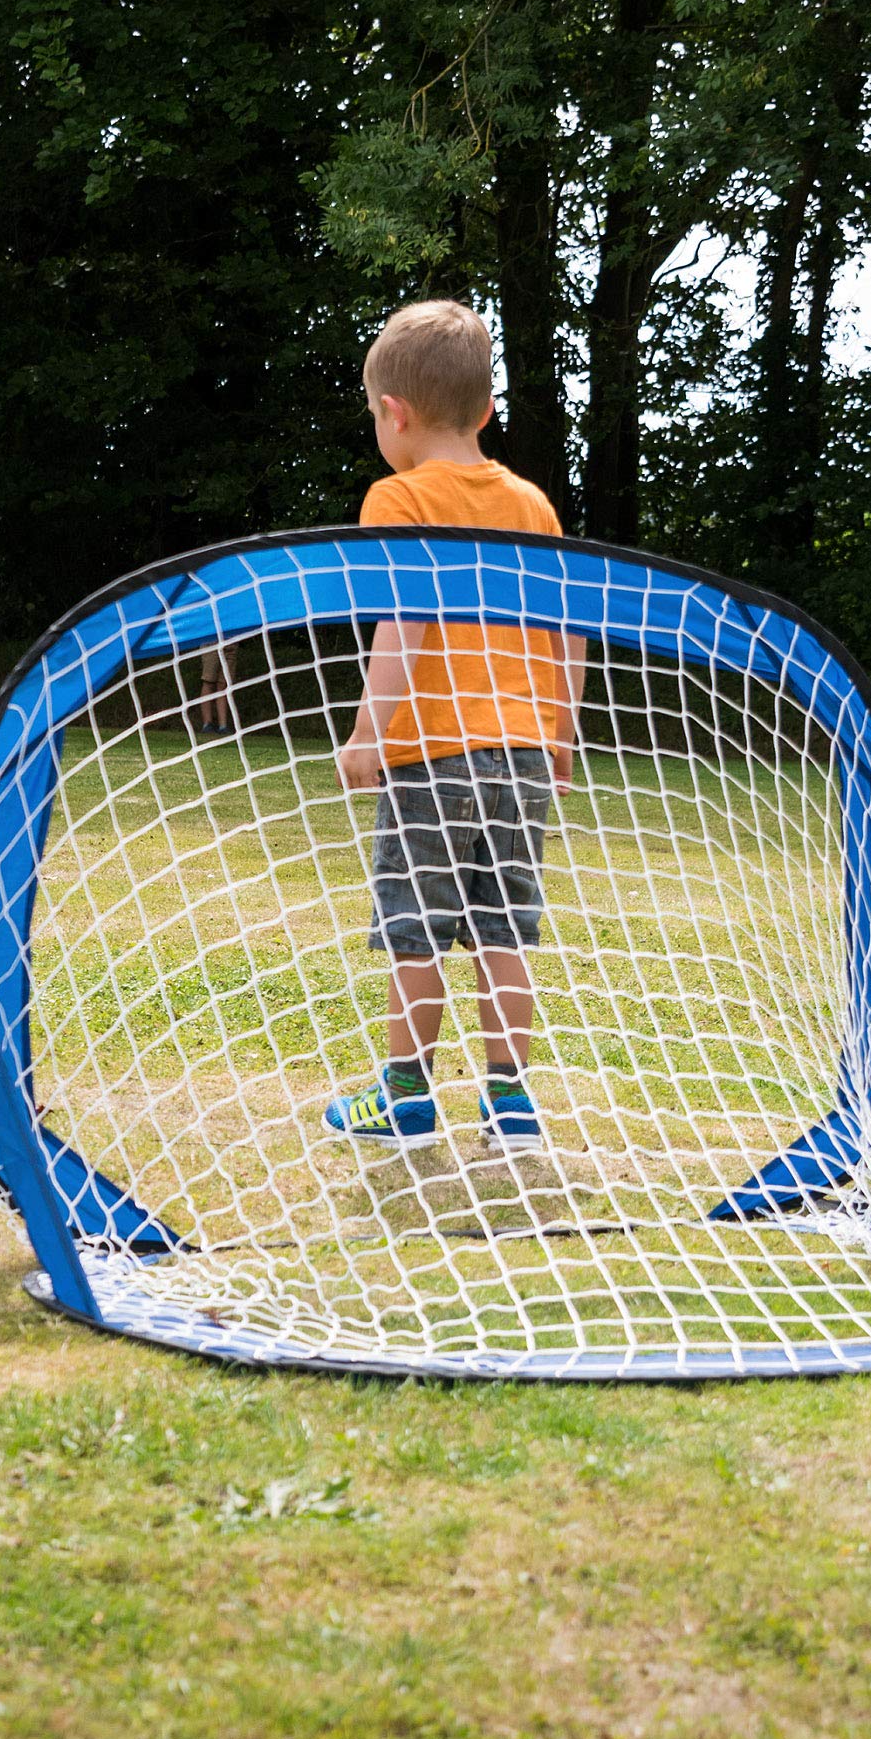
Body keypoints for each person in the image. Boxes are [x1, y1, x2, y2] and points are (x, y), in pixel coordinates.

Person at [324, 299, 581, 1150]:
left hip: (432, 756)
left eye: (372, 414)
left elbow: (406, 618)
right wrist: (561, 732)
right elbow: (565, 627)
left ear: (393, 412)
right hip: (522, 758)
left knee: (417, 931)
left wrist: (368, 730)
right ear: (485, 411)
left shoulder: (397, 500)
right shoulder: (532, 504)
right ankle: (510, 1102)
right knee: (504, 929)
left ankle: (405, 1096)